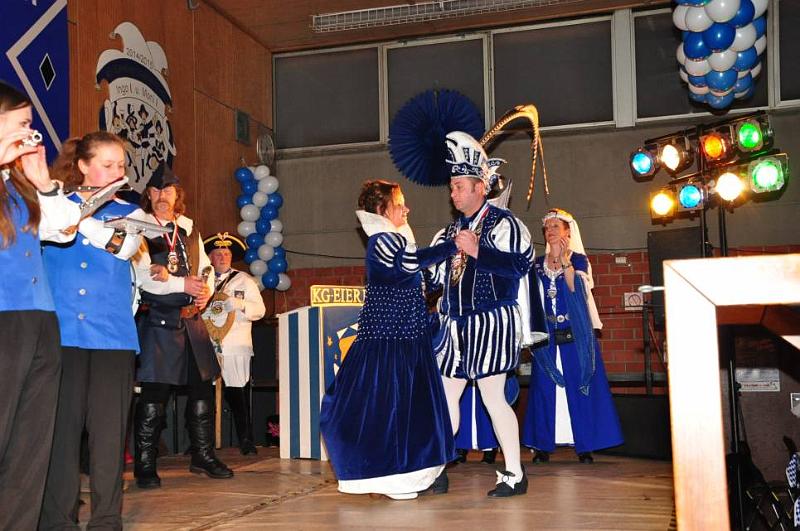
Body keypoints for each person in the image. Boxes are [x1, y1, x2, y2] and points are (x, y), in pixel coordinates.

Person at [320, 179, 459, 500]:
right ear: (382, 209)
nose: (406, 209)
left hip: (407, 338)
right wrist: (450, 246)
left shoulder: (395, 240)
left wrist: (447, 265)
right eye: (399, 204)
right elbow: (409, 264)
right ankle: (390, 476)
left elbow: (419, 279)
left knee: (406, 411)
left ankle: (406, 476)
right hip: (388, 339)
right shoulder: (382, 240)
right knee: (389, 410)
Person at [38, 131, 143, 529]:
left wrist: (80, 219)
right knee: (60, 434)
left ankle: (106, 519)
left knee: (109, 435)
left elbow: (124, 248)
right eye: (107, 164)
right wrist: (65, 208)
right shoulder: (51, 206)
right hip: (61, 336)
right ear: (83, 165)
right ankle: (58, 520)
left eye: (121, 165)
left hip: (113, 337)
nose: (117, 172)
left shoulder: (131, 212)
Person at [427, 131, 533, 497]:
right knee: (446, 397)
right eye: (452, 187)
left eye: (459, 187)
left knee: (492, 397)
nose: (453, 193)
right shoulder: (448, 231)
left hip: (490, 322)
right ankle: (437, 469)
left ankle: (515, 473)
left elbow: (520, 266)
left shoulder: (505, 224)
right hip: (454, 328)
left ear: (480, 188)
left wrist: (478, 252)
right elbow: (434, 278)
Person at [0, 81, 80, 530]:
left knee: (30, 449)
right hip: (3, 320)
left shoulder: (19, 184)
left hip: (41, 321)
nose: (30, 133)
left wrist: (43, 181)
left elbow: (65, 229)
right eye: (22, 123)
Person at [132, 163, 233, 489]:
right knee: (155, 394)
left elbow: (205, 270)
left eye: (168, 190)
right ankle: (145, 464)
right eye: (156, 190)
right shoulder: (140, 228)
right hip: (160, 322)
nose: (162, 196)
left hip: (192, 321)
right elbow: (143, 278)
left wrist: (205, 292)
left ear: (178, 195)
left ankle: (202, 455)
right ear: (149, 194)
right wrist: (181, 285)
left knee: (203, 388)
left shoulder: (189, 230)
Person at [521, 208, 623, 463]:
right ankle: (543, 445)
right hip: (546, 335)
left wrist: (564, 260)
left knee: (580, 387)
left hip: (574, 335)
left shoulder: (578, 260)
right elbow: (530, 299)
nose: (550, 231)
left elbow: (575, 289)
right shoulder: (536, 264)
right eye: (547, 228)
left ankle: (584, 445)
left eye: (556, 226)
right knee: (544, 389)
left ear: (568, 231)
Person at [201, 232, 266, 455]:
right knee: (205, 396)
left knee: (238, 394)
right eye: (218, 254)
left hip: (236, 345)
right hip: (207, 345)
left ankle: (246, 440)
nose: (223, 257)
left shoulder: (244, 280)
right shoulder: (203, 280)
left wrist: (239, 303)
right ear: (210, 257)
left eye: (226, 254)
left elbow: (260, 310)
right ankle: (203, 443)